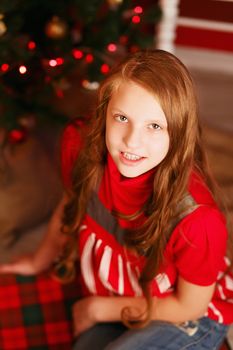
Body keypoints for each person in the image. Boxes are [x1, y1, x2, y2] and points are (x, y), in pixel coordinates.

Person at [0, 49, 232, 350]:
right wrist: (39, 258)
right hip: (119, 293)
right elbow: (72, 203)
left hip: (184, 313)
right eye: (122, 118)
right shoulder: (80, 145)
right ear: (105, 112)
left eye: (154, 126)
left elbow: (189, 306)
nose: (132, 141)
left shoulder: (198, 220)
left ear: (178, 131)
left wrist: (98, 308)